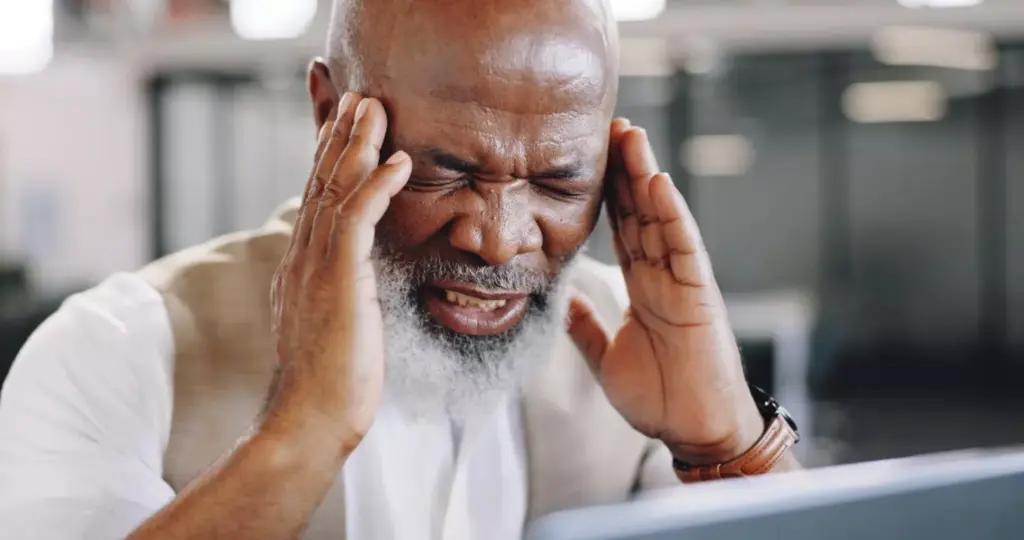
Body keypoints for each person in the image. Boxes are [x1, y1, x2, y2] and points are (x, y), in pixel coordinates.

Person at [0, 0, 800, 538]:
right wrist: (301, 432)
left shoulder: (633, 340)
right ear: (329, 116)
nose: (498, 240)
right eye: (444, 172)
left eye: (559, 183)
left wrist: (726, 444)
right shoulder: (116, 352)